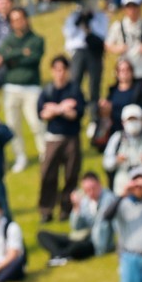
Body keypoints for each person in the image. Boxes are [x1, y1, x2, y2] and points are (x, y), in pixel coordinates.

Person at [0, 7, 46, 173]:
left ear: (26, 19)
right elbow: (4, 57)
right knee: (13, 126)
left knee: (36, 123)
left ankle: (45, 154)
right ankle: (20, 156)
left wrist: (14, 56)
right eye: (14, 20)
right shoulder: (8, 40)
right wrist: (21, 53)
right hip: (11, 88)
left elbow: (33, 58)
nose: (18, 22)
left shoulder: (36, 39)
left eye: (20, 18)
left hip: (31, 88)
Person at [37, 55, 86, 223]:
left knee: (71, 174)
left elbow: (76, 113)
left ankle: (67, 208)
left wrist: (55, 110)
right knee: (48, 174)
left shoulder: (74, 90)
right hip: (53, 138)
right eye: (57, 70)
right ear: (52, 71)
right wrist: (62, 108)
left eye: (63, 69)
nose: (60, 73)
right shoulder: (48, 90)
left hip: (72, 137)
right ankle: (46, 209)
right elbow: (43, 113)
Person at [37, 171, 117, 265]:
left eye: (93, 189)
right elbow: (76, 227)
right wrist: (76, 207)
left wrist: (100, 249)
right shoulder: (85, 200)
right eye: (87, 190)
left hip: (94, 242)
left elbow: (102, 229)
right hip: (80, 236)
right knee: (42, 235)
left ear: (99, 184)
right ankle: (59, 255)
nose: (90, 193)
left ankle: (59, 255)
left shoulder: (109, 199)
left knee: (76, 247)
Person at [64, 0, 109, 128]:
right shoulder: (72, 17)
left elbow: (102, 35)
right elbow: (69, 34)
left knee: (94, 85)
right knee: (75, 83)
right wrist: (79, 21)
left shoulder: (100, 16)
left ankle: (94, 118)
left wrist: (88, 27)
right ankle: (76, 113)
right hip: (78, 52)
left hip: (94, 52)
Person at [104, 105, 142, 194]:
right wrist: (117, 160)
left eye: (136, 120)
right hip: (123, 184)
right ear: (123, 122)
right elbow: (107, 163)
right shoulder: (117, 138)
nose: (133, 123)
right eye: (130, 120)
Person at [99, 58, 142, 151]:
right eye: (121, 70)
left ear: (132, 72)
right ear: (117, 73)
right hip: (117, 132)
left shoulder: (139, 90)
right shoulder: (112, 91)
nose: (125, 73)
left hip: (136, 132)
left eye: (127, 70)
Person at [105, 0, 142, 91]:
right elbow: (108, 45)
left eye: (135, 6)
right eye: (129, 7)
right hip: (124, 73)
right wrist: (118, 48)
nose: (132, 10)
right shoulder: (118, 26)